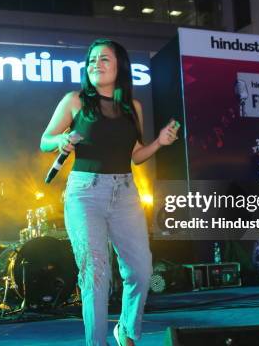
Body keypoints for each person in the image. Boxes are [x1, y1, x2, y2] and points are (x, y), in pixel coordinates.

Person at [40, 39, 179, 346]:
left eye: (104, 59)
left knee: (141, 270)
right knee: (95, 273)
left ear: (120, 68)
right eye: (91, 59)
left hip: (125, 193)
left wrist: (159, 143)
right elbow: (45, 140)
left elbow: (137, 155)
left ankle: (126, 330)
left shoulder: (134, 107)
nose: (95, 64)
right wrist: (61, 140)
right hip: (85, 193)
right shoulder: (74, 101)